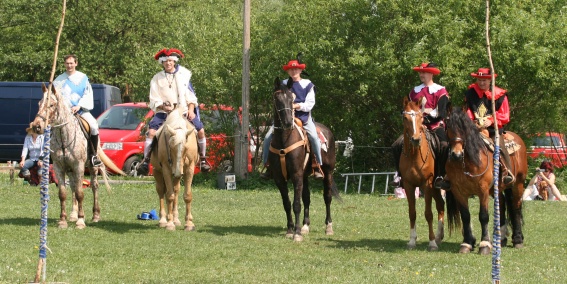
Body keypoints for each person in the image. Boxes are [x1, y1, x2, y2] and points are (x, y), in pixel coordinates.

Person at [137, 48, 211, 175]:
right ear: (162, 63)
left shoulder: (184, 76)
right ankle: (146, 161)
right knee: (151, 133)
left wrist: (191, 110)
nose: (168, 63)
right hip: (163, 113)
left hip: (183, 112)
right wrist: (162, 106)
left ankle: (203, 159)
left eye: (170, 61)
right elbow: (153, 98)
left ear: (174, 61)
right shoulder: (156, 78)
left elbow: (191, 97)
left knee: (201, 130)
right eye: (166, 61)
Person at [261, 58, 324, 179]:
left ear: (300, 70)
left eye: (296, 69)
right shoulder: (283, 84)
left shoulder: (308, 84)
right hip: (284, 119)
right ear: (288, 71)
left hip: (303, 118)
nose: (293, 71)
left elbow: (310, 104)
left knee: (314, 138)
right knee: (268, 138)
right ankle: (268, 166)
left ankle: (317, 166)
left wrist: (296, 105)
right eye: (291, 69)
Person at [391, 62, 450, 189]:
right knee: (396, 145)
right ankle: (399, 175)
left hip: (435, 125)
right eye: (420, 72)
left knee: (444, 145)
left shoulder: (440, 90)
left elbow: (441, 111)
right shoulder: (414, 91)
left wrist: (425, 120)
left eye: (424, 72)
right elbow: (407, 107)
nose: (421, 74)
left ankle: (441, 175)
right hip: (415, 127)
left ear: (431, 73)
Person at [464, 68, 514, 186]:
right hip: (474, 129)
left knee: (500, 147)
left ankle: (508, 173)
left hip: (493, 130)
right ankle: (450, 175)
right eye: (480, 80)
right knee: (458, 144)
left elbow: (505, 115)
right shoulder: (470, 93)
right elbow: (468, 110)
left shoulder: (500, 95)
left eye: (485, 80)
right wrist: (472, 122)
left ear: (490, 80)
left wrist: (491, 120)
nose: (482, 83)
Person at [53, 54, 102, 167]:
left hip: (80, 111)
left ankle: (94, 155)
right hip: (64, 114)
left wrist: (79, 106)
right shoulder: (58, 80)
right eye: (67, 63)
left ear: (76, 63)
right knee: (50, 128)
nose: (69, 65)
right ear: (64, 64)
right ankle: (49, 154)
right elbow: (55, 97)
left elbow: (87, 94)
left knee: (93, 125)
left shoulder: (83, 78)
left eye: (71, 63)